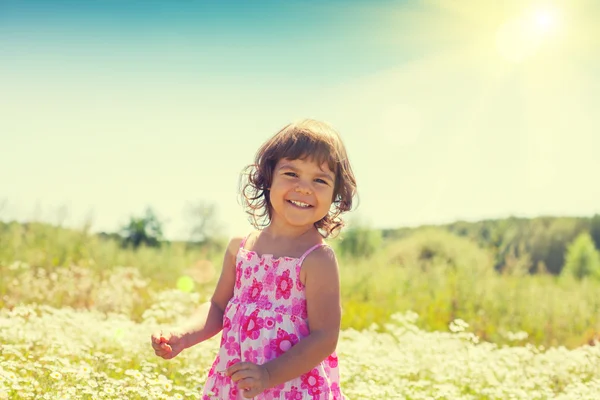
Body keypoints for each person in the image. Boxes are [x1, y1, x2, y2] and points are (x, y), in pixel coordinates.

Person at [151, 119, 357, 399]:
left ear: (335, 194)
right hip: (237, 386)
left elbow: (324, 338)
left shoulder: (317, 260)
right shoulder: (241, 248)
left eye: (320, 180)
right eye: (292, 173)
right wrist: (184, 335)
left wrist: (269, 375)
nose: (305, 188)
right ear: (267, 178)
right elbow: (217, 307)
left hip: (291, 388)